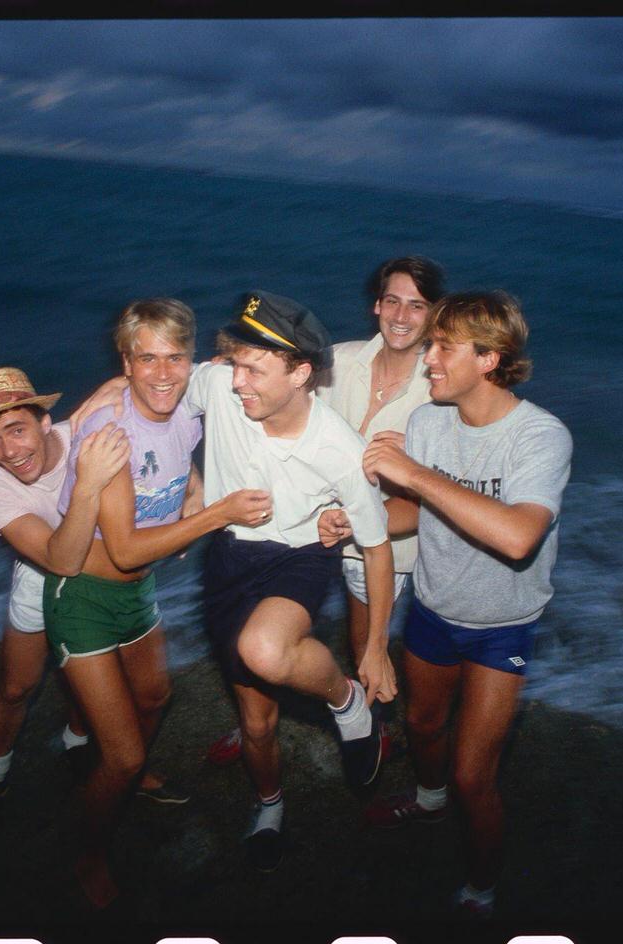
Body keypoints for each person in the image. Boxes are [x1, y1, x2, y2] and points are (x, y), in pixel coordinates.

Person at [328, 291, 571, 919]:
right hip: (433, 609)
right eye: (430, 344)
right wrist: (356, 521)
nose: (427, 358)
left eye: (443, 347)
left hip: (502, 625)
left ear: (489, 359)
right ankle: (428, 801)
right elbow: (415, 510)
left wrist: (413, 473)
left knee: (473, 776)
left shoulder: (540, 436)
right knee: (422, 725)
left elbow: (519, 536)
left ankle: (481, 888)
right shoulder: (430, 422)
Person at [46, 298, 272, 907]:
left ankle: (124, 770)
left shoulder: (188, 403)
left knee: (153, 697)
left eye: (175, 357)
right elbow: (122, 549)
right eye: (146, 360)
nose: (163, 373)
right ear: (126, 362)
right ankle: (89, 851)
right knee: (121, 756)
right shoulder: (109, 435)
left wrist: (193, 487)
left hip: (139, 590)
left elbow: (232, 381)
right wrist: (217, 513)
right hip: (84, 595)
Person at [182, 290, 398, 873]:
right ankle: (270, 804)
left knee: (265, 649)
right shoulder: (220, 386)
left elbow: (377, 547)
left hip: (299, 557)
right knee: (256, 723)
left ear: (301, 373)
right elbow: (157, 392)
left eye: (254, 369)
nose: (237, 382)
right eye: (236, 364)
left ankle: (347, 703)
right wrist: (191, 481)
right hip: (228, 558)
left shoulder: (339, 449)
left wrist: (376, 647)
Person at [205, 256, 446, 768]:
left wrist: (359, 515)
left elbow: (439, 498)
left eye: (417, 305)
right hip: (310, 528)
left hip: (384, 538)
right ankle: (258, 722)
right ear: (376, 305)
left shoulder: (441, 392)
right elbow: (268, 400)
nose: (401, 316)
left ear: (434, 314)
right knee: (271, 645)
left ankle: (371, 728)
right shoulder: (337, 360)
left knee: (367, 649)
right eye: (393, 301)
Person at [0, 366, 132, 825]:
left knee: (90, 674)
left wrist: (193, 488)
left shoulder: (85, 434)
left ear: (46, 421)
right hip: (42, 573)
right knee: (16, 688)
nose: (8, 451)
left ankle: (76, 739)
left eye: (17, 430)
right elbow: (58, 560)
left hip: (103, 570)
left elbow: (157, 384)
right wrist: (88, 483)